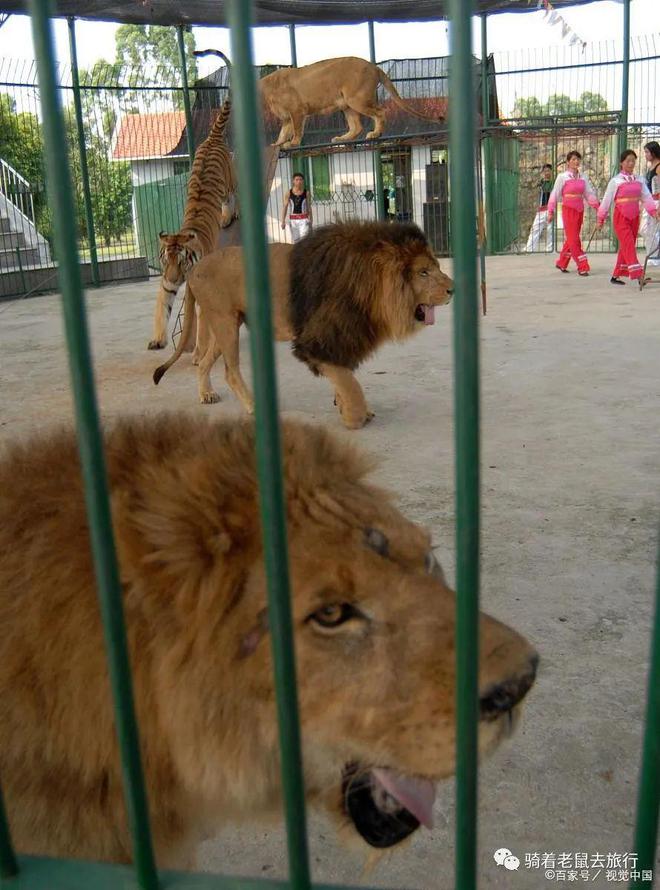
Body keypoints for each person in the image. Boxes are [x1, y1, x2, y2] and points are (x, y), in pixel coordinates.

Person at [596, 149, 657, 285]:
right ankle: (639, 275)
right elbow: (606, 201)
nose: (631, 163)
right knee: (629, 245)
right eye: (628, 161)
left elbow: (646, 197)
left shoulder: (640, 180)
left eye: (633, 161)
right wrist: (600, 219)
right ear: (621, 163)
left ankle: (616, 275)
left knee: (626, 246)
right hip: (621, 218)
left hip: (635, 217)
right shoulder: (615, 181)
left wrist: (653, 212)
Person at [547, 150, 599, 276]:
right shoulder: (562, 177)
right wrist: (550, 211)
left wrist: (598, 207)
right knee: (574, 239)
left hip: (579, 210)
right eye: (573, 159)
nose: (576, 162)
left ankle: (562, 262)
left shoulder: (583, 177)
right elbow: (555, 194)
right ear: (568, 162)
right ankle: (582, 265)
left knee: (572, 238)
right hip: (568, 210)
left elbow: (589, 194)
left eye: (578, 159)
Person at [525, 163, 555, 253]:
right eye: (545, 171)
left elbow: (550, 191)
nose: (546, 173)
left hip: (550, 209)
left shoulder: (553, 183)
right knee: (535, 229)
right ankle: (529, 248)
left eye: (548, 171)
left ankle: (549, 249)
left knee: (550, 230)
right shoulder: (541, 182)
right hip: (541, 209)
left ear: (551, 172)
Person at [641, 141, 660, 271]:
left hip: (656, 201)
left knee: (652, 230)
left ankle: (654, 257)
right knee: (645, 229)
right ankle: (653, 254)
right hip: (649, 202)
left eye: (647, 152)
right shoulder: (651, 166)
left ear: (653, 152)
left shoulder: (658, 167)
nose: (645, 154)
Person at [281, 171, 313, 243]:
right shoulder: (288, 193)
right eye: (297, 180)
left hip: (304, 219)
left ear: (303, 181)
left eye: (300, 179)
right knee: (296, 241)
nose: (299, 181)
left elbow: (309, 207)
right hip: (293, 220)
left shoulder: (306, 193)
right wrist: (283, 221)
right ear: (293, 181)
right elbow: (285, 207)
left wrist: (311, 219)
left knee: (304, 240)